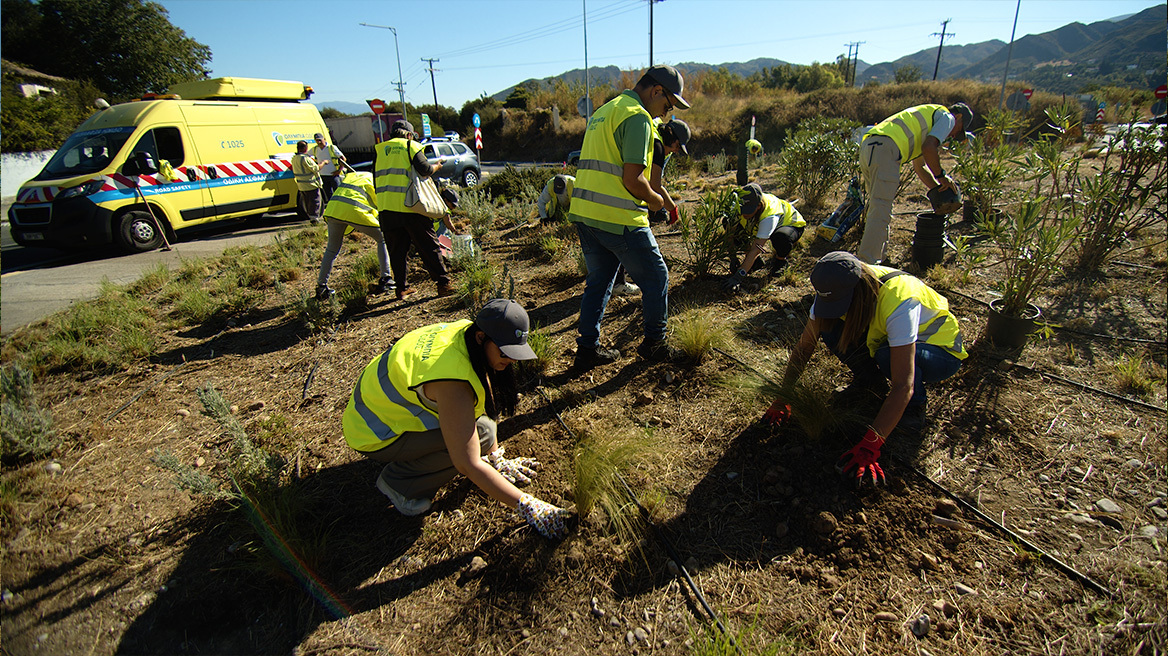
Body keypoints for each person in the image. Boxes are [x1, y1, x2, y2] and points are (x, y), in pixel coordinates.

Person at [343, 299, 572, 539]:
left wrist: (495, 458)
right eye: (505, 352)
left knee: (484, 431)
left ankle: (414, 467)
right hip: (372, 431)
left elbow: (483, 392)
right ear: (482, 338)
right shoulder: (452, 382)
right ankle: (400, 483)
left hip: (378, 407)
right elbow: (468, 464)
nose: (511, 361)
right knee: (469, 445)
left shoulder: (466, 332)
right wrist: (531, 506)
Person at [773, 251, 968, 486]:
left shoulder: (899, 299)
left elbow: (902, 385)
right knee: (831, 328)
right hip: (891, 339)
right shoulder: (832, 288)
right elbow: (804, 347)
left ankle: (915, 408)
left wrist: (871, 445)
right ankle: (869, 384)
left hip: (940, 350)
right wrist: (783, 397)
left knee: (888, 356)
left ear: (857, 292)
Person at [568, 64, 691, 368]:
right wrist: (656, 202)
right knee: (657, 276)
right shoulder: (638, 118)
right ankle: (655, 344)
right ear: (656, 90)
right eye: (667, 104)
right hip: (618, 218)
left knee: (600, 281)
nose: (666, 113)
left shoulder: (605, 110)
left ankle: (586, 350)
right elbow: (633, 180)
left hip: (585, 214)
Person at [856, 103, 972, 264]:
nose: (953, 135)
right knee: (881, 208)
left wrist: (938, 189)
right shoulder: (947, 117)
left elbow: (920, 167)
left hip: (869, 147)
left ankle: (880, 258)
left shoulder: (928, 118)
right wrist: (942, 176)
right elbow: (929, 147)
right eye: (958, 130)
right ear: (958, 117)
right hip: (886, 150)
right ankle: (868, 263)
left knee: (879, 208)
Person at [374, 119, 455, 300]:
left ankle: (401, 289)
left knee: (397, 252)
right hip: (411, 206)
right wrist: (437, 166)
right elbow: (425, 169)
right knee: (429, 246)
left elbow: (376, 180)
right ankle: (443, 283)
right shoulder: (410, 145)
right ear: (409, 134)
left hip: (387, 208)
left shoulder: (379, 150)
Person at [315, 170, 393, 301]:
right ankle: (386, 278)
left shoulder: (356, 176)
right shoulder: (377, 181)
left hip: (333, 210)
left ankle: (321, 287)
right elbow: (381, 205)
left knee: (332, 249)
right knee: (382, 238)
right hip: (354, 210)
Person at [721, 182, 806, 293]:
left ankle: (780, 261)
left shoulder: (769, 216)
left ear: (759, 206)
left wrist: (739, 276)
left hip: (790, 224)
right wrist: (732, 257)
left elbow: (757, 248)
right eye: (742, 210)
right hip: (757, 226)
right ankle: (755, 263)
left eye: (747, 211)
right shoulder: (737, 205)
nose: (743, 215)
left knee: (781, 238)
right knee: (728, 223)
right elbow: (730, 235)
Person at [291, 140, 322, 224]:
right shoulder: (305, 158)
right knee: (315, 201)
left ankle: (311, 217)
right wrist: (323, 163)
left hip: (301, 185)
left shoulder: (294, 158)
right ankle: (314, 219)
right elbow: (316, 168)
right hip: (311, 184)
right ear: (305, 148)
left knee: (307, 202)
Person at [312, 132, 347, 202]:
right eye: (317, 140)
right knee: (328, 195)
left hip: (333, 175)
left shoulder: (331, 148)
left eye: (320, 140)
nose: (319, 142)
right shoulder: (315, 149)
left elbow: (343, 158)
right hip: (323, 175)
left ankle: (340, 207)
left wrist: (339, 170)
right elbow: (306, 156)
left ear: (324, 139)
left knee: (338, 193)